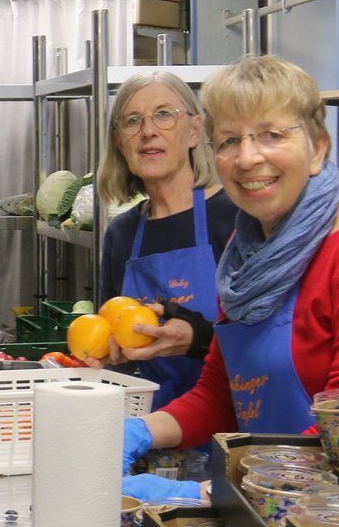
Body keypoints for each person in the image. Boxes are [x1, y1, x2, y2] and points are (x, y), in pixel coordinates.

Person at [120, 56, 339, 503]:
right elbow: (221, 395)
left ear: (318, 147)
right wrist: (134, 432)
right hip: (272, 503)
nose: (248, 157)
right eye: (229, 140)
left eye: (272, 134)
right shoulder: (246, 256)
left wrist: (215, 494)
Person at [89, 71, 238, 409]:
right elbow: (113, 341)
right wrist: (103, 354)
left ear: (195, 131)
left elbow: (268, 341)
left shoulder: (233, 215)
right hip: (146, 427)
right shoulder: (122, 233)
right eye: (132, 120)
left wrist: (199, 339)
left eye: (164, 114)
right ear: (118, 142)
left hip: (226, 426)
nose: (148, 131)